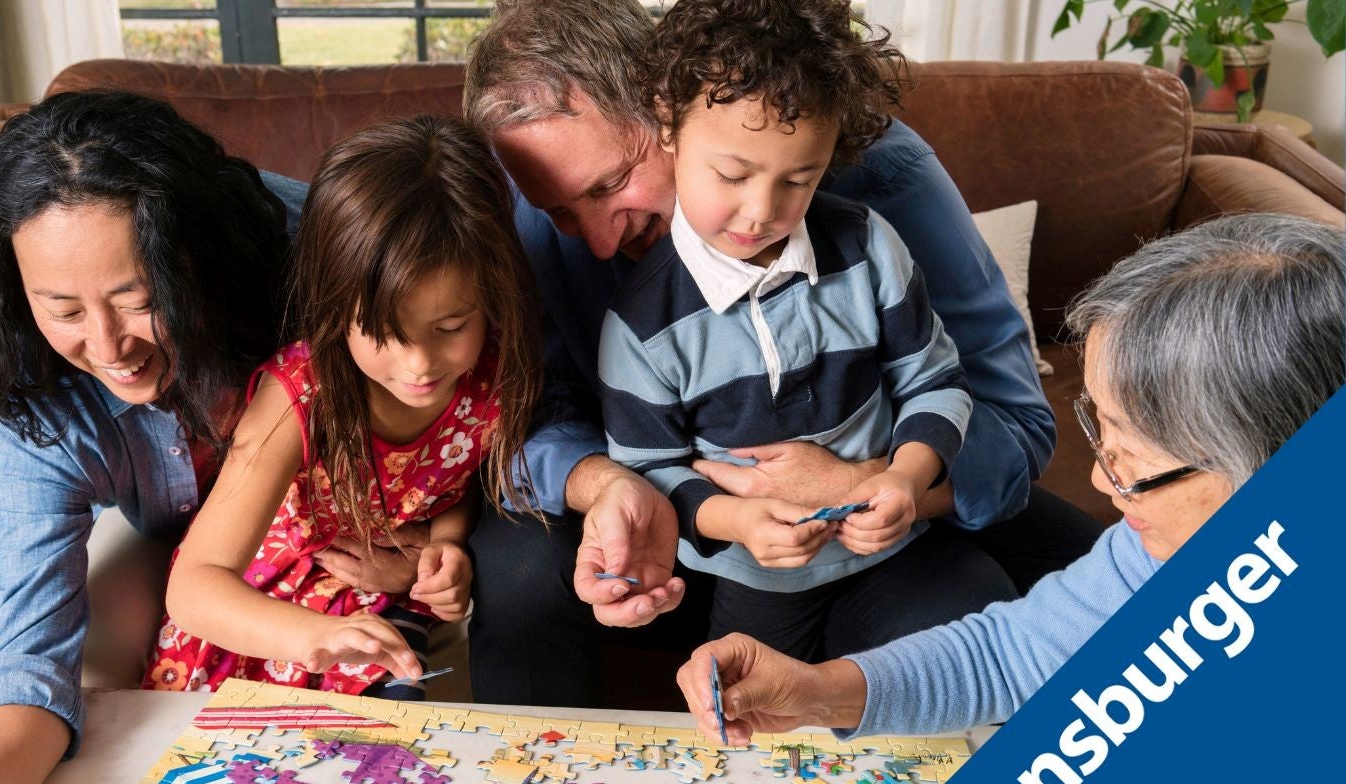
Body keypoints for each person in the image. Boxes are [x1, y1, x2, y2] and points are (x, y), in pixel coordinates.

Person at [458, 0, 1101, 706]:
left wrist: (865, 487)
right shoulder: (538, 209)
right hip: (669, 513)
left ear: (666, 108)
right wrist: (610, 486)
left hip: (875, 513)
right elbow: (522, 410)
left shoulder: (877, 189)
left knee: (1021, 595)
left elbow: (1012, 421)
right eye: (559, 212)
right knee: (514, 562)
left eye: (611, 186)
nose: (601, 244)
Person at [0, 90, 405, 784]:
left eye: (141, 297)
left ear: (200, 259)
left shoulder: (312, 252)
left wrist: (440, 539)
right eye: (63, 311)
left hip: (336, 528)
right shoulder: (19, 373)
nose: (109, 349)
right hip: (174, 542)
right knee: (102, 648)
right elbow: (28, 638)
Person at [676, 212, 1345, 741]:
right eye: (1099, 426)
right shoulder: (1150, 552)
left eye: (1135, 455)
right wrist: (815, 692)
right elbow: (1012, 653)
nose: (1109, 486)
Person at [595, 0, 1012, 661]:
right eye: (732, 175)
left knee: (983, 631)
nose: (761, 212)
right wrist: (738, 520)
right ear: (668, 124)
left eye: (800, 179)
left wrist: (905, 479)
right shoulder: (640, 326)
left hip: (897, 548)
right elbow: (648, 472)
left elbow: (937, 383)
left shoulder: (870, 246)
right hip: (757, 575)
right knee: (757, 717)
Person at [156, 116, 542, 698]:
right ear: (336, 308)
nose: (420, 364)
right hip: (264, 615)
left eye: (450, 326)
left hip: (382, 608)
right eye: (386, 333)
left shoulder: (492, 375)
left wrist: (445, 545)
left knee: (382, 747)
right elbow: (194, 587)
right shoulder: (297, 397)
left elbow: (454, 484)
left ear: (492, 295)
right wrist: (317, 636)